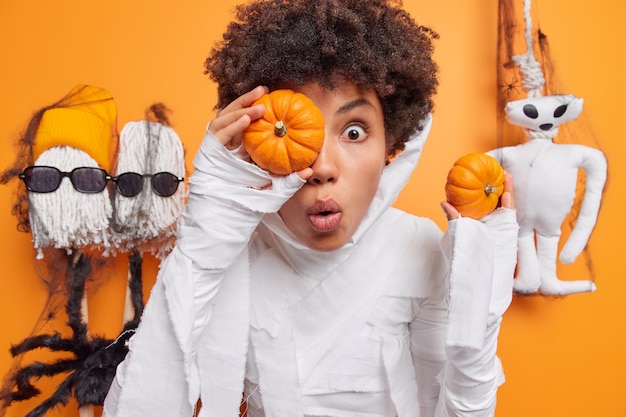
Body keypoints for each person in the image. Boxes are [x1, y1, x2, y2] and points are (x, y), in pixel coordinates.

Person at [103, 0, 518, 416]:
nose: (322, 168)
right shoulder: (230, 255)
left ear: (391, 143)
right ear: (257, 144)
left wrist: (480, 307)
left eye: (353, 131)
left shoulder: (419, 247)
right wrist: (206, 232)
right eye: (298, 131)